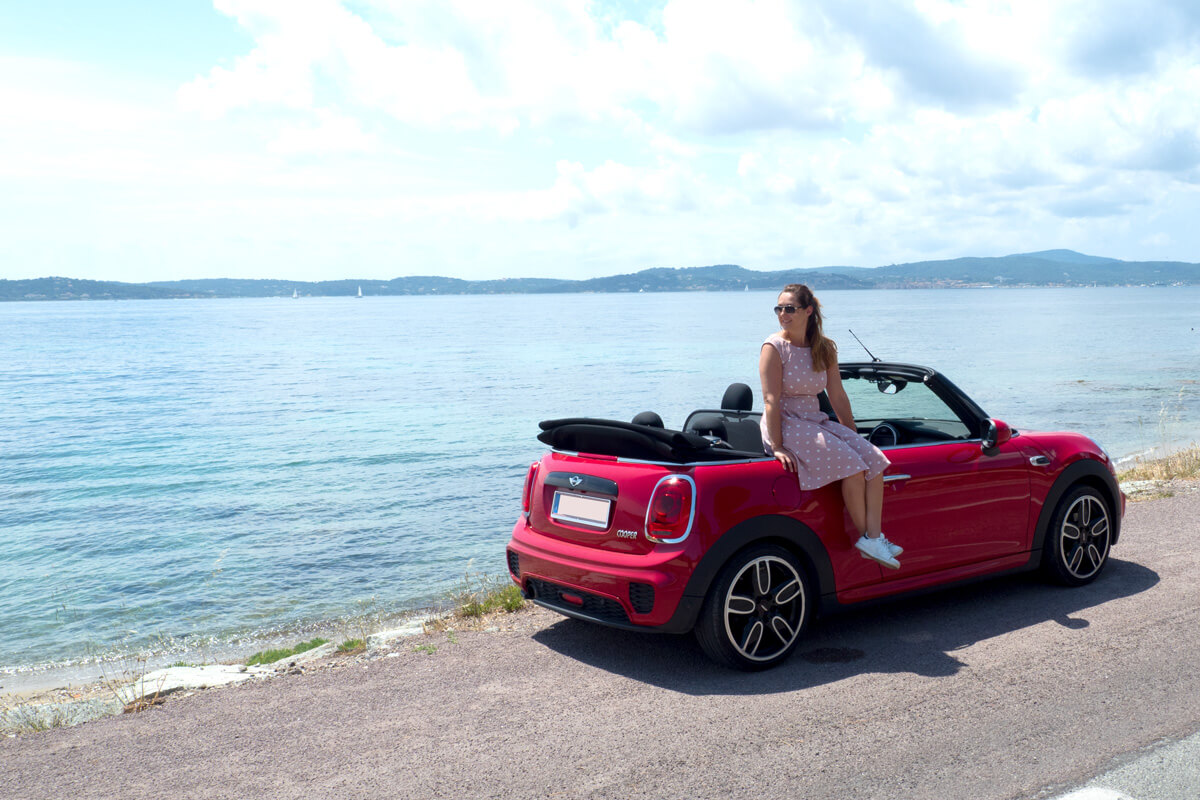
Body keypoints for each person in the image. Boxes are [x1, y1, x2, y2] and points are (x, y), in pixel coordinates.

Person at [758, 284, 902, 569]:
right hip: (786, 421)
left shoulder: (824, 348)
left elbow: (837, 396)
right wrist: (776, 445)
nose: (782, 314)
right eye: (779, 308)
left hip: (814, 420)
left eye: (789, 308)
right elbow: (770, 399)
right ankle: (868, 539)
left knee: (874, 459)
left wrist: (853, 434)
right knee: (853, 465)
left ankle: (875, 536)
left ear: (808, 311)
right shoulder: (774, 347)